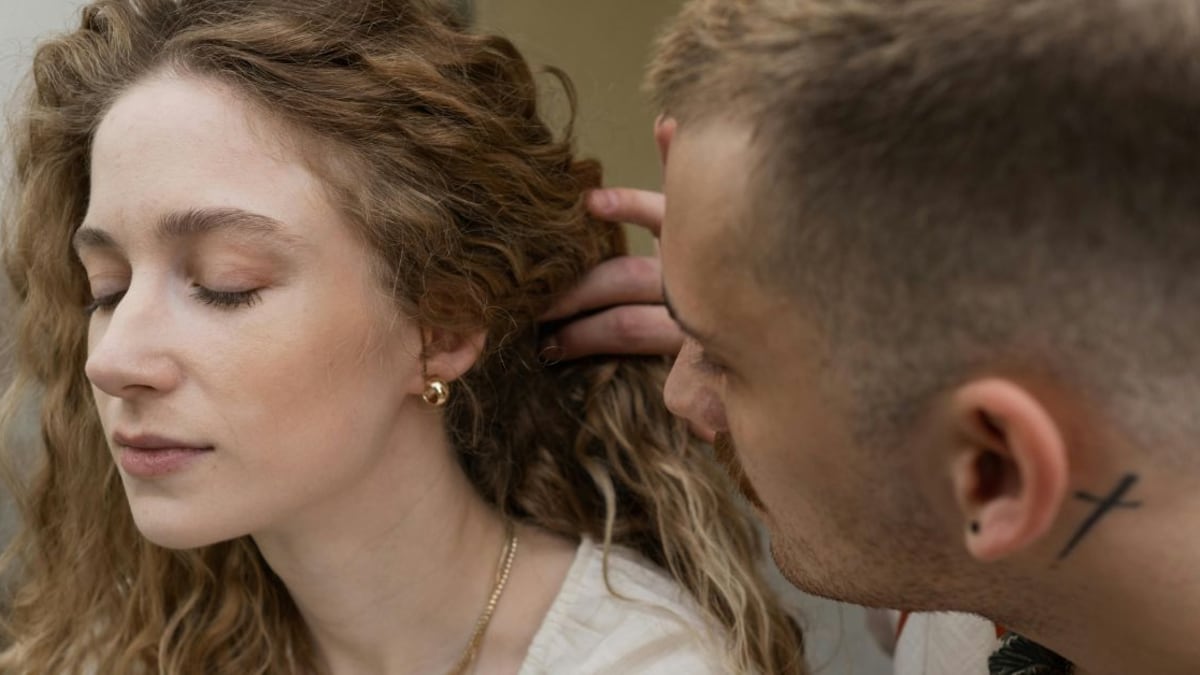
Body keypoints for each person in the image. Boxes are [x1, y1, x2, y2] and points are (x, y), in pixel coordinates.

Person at [0, 1, 808, 672]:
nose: (111, 361)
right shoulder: (139, 642)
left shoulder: (642, 662)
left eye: (224, 284)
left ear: (441, 325)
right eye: (107, 289)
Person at [576, 0, 1200, 673]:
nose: (679, 392)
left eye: (722, 362)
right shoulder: (1014, 592)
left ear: (994, 468)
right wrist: (742, 288)